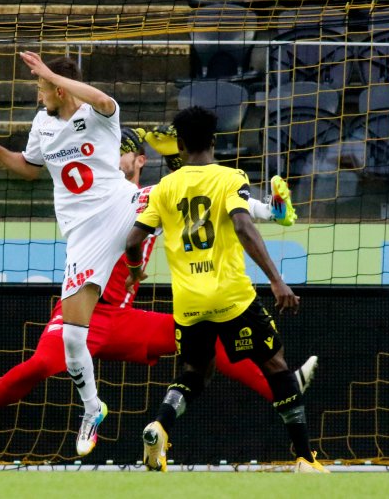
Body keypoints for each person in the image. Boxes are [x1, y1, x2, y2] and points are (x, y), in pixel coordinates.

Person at [0, 126, 315, 454]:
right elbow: (36, 168)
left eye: (123, 152)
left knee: (211, 343)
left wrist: (269, 209)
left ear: (140, 160)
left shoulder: (157, 194)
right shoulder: (98, 192)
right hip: (81, 313)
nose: (114, 158)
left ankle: (283, 386)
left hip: (121, 318)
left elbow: (210, 195)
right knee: (38, 366)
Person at [0, 52, 143, 456]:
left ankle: (262, 207)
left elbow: (102, 99)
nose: (39, 98)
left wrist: (52, 74)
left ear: (59, 87)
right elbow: (28, 168)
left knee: (181, 195)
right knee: (74, 340)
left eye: (42, 89)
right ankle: (92, 408)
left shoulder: (99, 114)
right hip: (81, 235)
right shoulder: (42, 124)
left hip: (119, 203)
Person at [125, 106, 328, 473]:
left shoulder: (165, 187)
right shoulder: (230, 177)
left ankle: (159, 426)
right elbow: (243, 225)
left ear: (181, 145)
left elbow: (133, 240)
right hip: (231, 297)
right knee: (276, 365)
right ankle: (305, 458)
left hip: (188, 303)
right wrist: (276, 279)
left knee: (194, 373)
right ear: (215, 142)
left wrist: (136, 271)